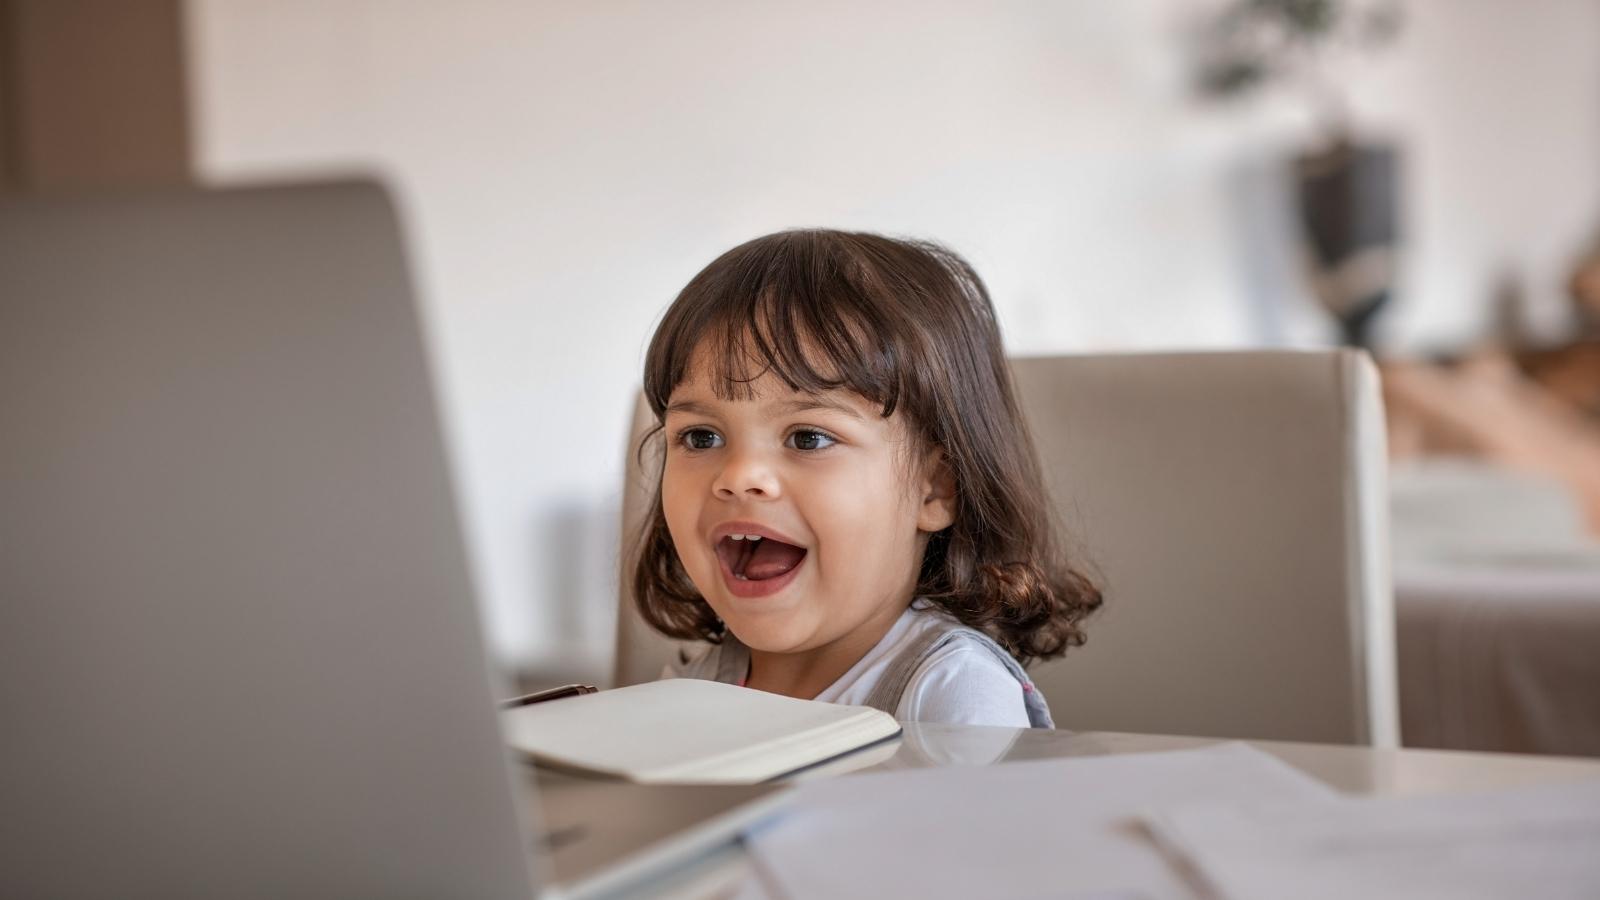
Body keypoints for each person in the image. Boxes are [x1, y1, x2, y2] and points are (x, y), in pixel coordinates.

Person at [633, 230, 1100, 728]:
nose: (739, 476)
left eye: (808, 438)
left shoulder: (954, 695)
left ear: (937, 487)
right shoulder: (694, 691)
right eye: (702, 438)